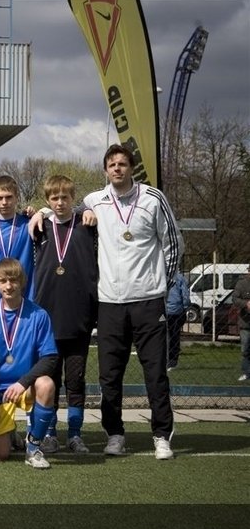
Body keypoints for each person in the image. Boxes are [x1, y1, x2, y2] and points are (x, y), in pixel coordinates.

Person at [82, 143, 183, 459]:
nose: (117, 168)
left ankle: (162, 435)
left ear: (131, 168)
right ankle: (114, 434)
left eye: (122, 163)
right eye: (111, 164)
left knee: (155, 373)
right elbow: (63, 208)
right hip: (110, 303)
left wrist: (161, 286)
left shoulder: (153, 199)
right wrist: (39, 212)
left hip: (148, 302)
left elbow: (173, 245)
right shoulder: (94, 201)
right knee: (109, 376)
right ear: (105, 170)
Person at [32, 175, 98, 455]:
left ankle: (74, 433)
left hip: (78, 316)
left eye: (65, 198)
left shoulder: (87, 225)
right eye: (54, 198)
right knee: (50, 381)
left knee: (76, 379)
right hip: (47, 319)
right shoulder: (40, 226)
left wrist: (88, 210)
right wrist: (39, 212)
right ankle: (49, 434)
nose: (60, 203)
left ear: (73, 198)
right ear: (47, 201)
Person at [0, 258, 58, 469]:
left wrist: (23, 382)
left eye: (13, 280)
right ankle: (9, 432)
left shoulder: (39, 315)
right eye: (3, 281)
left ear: (22, 282)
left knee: (46, 384)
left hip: (24, 387)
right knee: (2, 455)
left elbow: (50, 358)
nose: (9, 286)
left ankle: (33, 447)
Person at [0, 176, 35, 305]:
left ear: (17, 197)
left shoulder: (29, 223)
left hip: (23, 295)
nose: (4, 202)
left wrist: (41, 213)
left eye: (9, 197)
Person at [165, 271, 190, 371]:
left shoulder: (162, 276)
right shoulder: (180, 278)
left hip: (164, 310)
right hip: (177, 311)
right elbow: (185, 294)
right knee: (175, 336)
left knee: (163, 336)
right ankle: (173, 361)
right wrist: (186, 306)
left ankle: (164, 359)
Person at [231, 270, 250, 382]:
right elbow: (235, 299)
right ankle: (246, 372)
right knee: (245, 349)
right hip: (246, 322)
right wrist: (246, 304)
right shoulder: (242, 284)